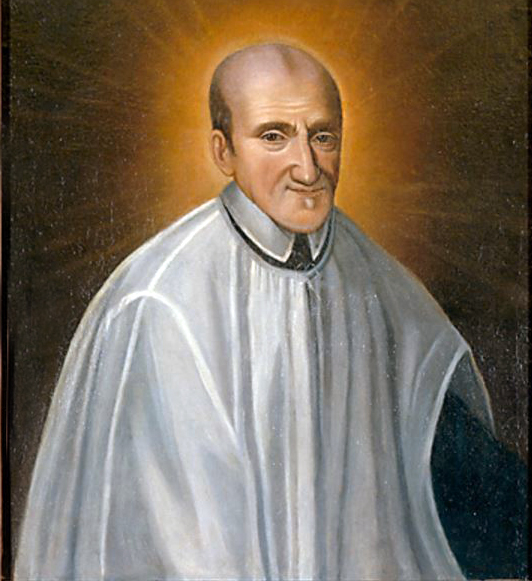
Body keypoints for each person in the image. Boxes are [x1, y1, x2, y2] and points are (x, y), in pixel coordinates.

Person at [15, 44, 526, 580]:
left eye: (322, 136)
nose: (307, 168)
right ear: (224, 151)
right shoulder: (158, 304)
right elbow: (175, 548)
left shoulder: (384, 287)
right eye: (274, 136)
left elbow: (466, 493)